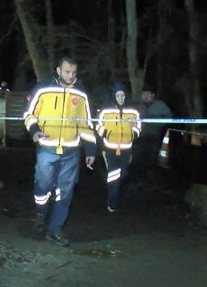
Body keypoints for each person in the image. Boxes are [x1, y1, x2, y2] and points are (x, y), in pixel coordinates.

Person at [23, 55, 97, 246]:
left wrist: (90, 150)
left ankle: (55, 229)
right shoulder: (43, 88)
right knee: (42, 187)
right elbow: (28, 113)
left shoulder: (81, 94)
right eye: (67, 71)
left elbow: (86, 124)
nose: (71, 75)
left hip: (71, 151)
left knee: (65, 193)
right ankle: (40, 214)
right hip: (47, 148)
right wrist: (34, 130)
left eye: (74, 72)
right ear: (58, 70)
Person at [95, 83, 141, 212]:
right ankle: (112, 203)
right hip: (110, 148)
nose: (121, 98)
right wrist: (107, 134)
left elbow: (138, 126)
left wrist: (132, 134)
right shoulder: (106, 110)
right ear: (114, 96)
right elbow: (98, 125)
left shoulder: (132, 111)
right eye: (118, 95)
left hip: (127, 148)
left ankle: (116, 194)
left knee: (123, 174)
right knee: (113, 175)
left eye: (122, 95)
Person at [134, 86, 173, 176]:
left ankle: (151, 180)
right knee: (138, 160)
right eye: (143, 94)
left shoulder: (160, 105)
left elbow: (169, 117)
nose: (145, 96)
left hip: (154, 137)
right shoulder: (138, 106)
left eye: (147, 94)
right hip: (139, 139)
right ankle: (138, 179)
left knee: (152, 160)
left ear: (153, 95)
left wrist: (158, 123)